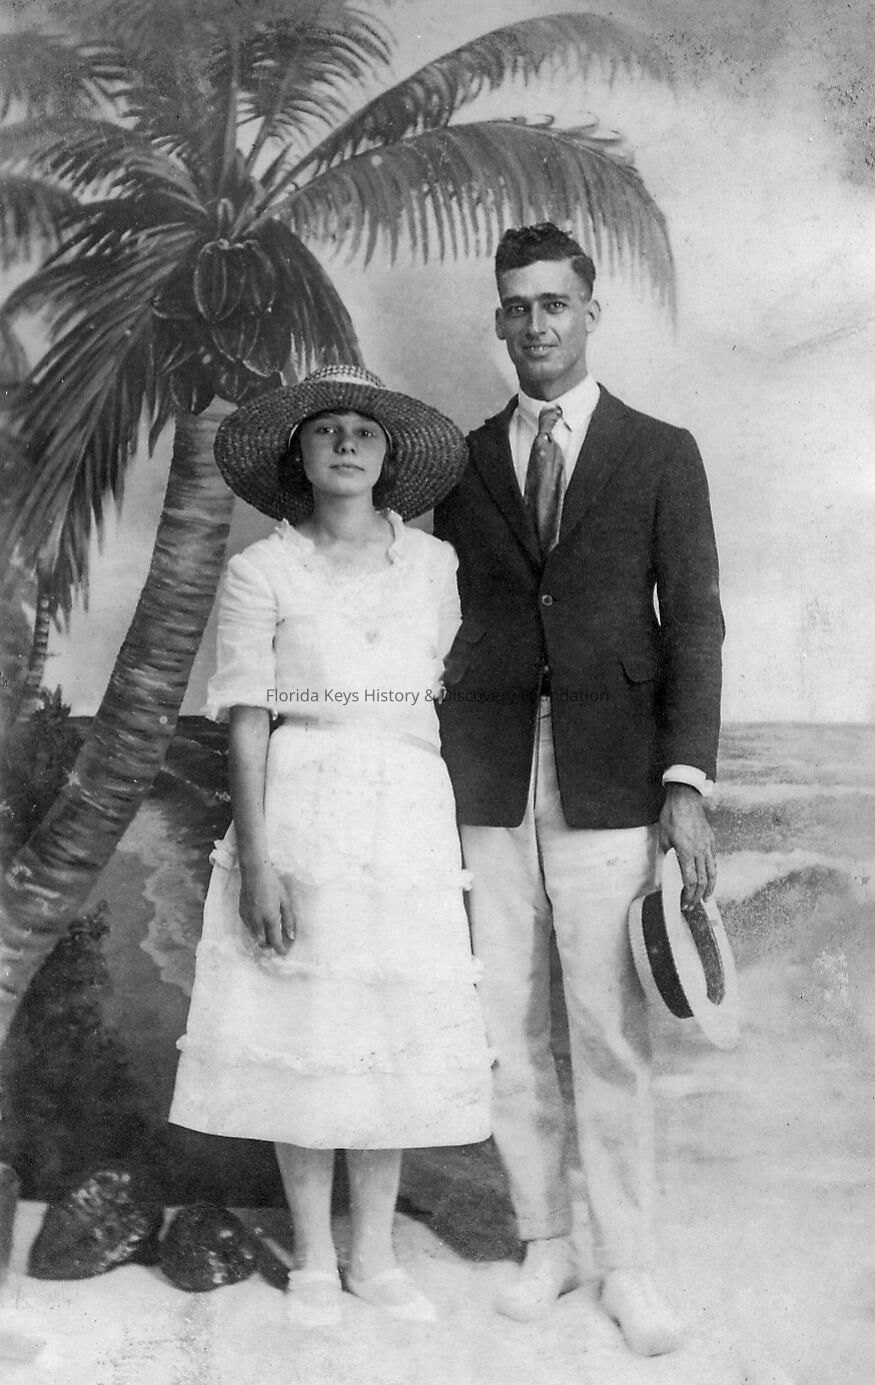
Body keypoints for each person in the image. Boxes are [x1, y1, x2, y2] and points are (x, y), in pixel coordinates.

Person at [433, 223, 724, 1355]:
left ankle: (627, 1263)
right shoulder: (462, 462)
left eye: (553, 303)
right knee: (505, 1021)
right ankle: (543, 1240)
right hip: (489, 771)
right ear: (498, 319)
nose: (535, 323)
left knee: (605, 1026)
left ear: (588, 313)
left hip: (611, 774)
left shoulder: (659, 451)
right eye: (516, 305)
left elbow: (692, 623)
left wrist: (683, 781)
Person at [169, 364, 492, 1327]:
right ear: (297, 454)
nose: (345, 443)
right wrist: (258, 860)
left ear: (388, 457)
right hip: (302, 802)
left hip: (405, 810)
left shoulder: (432, 567)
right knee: (305, 1026)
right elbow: (247, 718)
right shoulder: (261, 571)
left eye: (364, 430)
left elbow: (426, 683)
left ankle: (375, 1255)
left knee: (382, 1027)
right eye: (325, 429)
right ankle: (314, 1256)